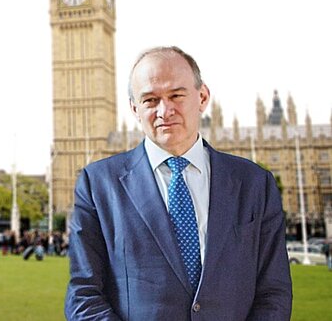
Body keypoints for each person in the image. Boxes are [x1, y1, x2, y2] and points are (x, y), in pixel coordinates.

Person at [65, 46, 292, 320]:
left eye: (176, 95)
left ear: (202, 97)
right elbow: (84, 295)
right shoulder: (98, 184)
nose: (164, 110)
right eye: (150, 100)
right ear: (135, 109)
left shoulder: (255, 183)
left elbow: (273, 292)